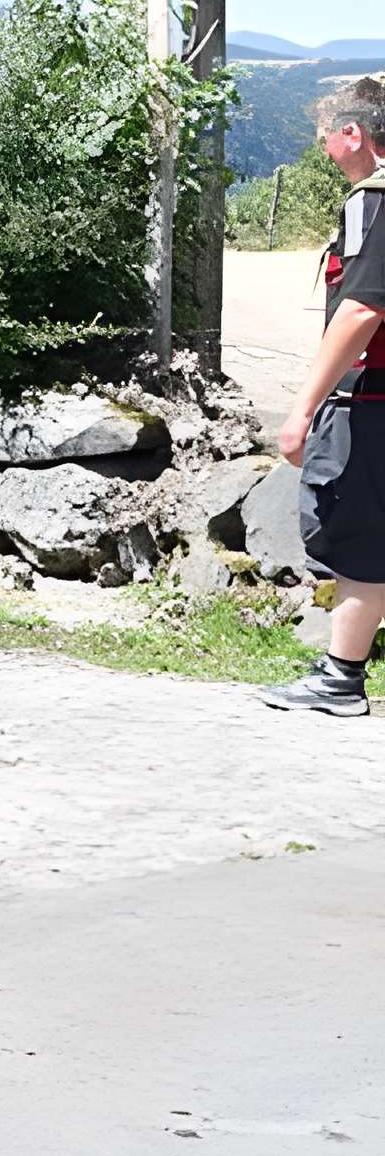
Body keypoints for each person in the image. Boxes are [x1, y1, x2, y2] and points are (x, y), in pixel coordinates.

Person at [259, 77, 385, 715]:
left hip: (374, 403)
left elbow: (362, 307)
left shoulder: (375, 202)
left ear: (354, 134)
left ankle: (341, 679)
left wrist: (303, 406)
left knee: (359, 530)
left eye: (326, 137)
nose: (323, 151)